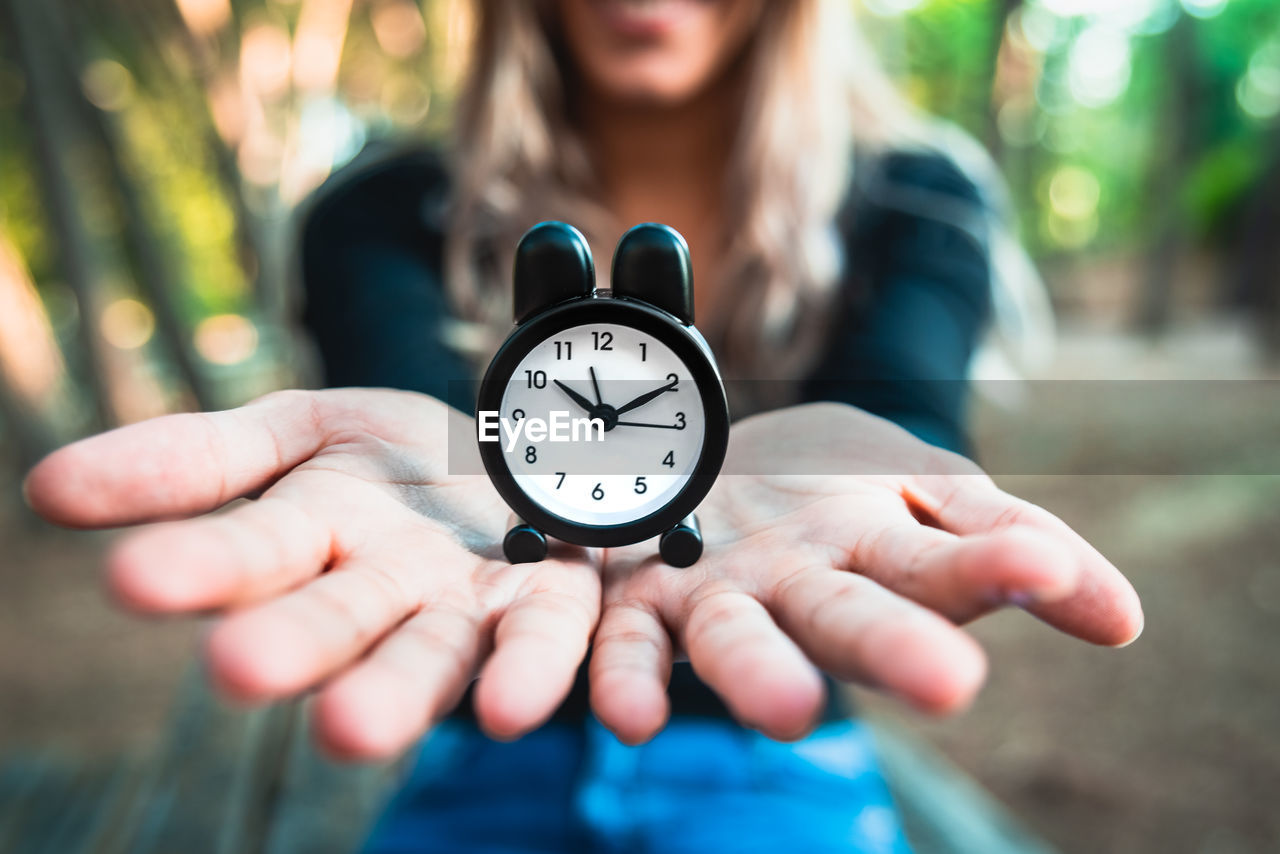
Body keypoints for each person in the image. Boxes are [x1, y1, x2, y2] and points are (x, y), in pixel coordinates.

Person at [23, 1, 1143, 851]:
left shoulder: (921, 201)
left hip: (774, 750)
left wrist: (866, 464)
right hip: (479, 742)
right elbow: (448, 428)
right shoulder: (372, 211)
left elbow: (897, 408)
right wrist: (438, 471)